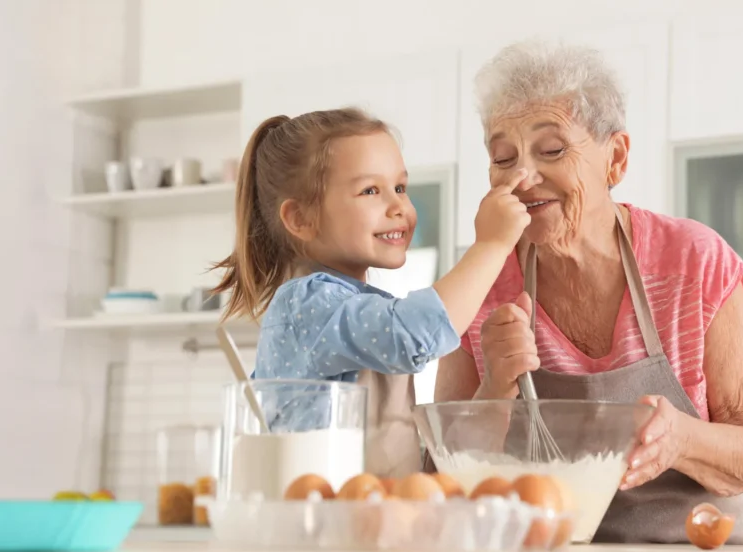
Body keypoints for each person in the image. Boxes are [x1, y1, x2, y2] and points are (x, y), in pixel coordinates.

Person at [434, 41, 743, 545]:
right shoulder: (481, 283)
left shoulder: (693, 261)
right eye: (502, 157)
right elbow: (441, 475)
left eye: (551, 150)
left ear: (615, 158)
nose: (521, 178)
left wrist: (682, 440)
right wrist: (495, 389)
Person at [212, 108, 530, 430]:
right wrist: (491, 244)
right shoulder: (305, 304)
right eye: (370, 191)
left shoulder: (362, 308)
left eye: (401, 188)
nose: (399, 207)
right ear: (301, 219)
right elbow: (415, 335)